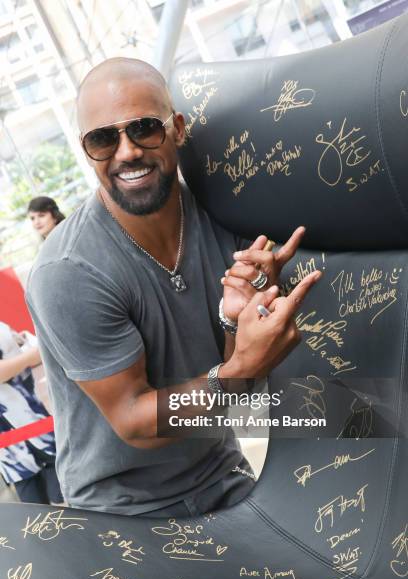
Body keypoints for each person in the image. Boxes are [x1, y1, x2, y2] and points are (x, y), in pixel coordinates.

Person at [26, 58, 321, 517]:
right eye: (103, 138)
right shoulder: (68, 271)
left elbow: (231, 376)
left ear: (177, 128)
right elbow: (134, 419)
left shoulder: (222, 213)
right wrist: (239, 371)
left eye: (144, 128)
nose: (126, 152)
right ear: (87, 151)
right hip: (124, 510)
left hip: (219, 471)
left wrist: (238, 321)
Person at [0, 322, 63, 504]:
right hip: (11, 441)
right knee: (36, 511)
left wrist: (23, 345)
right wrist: (30, 356)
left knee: (67, 498)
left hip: (38, 421)